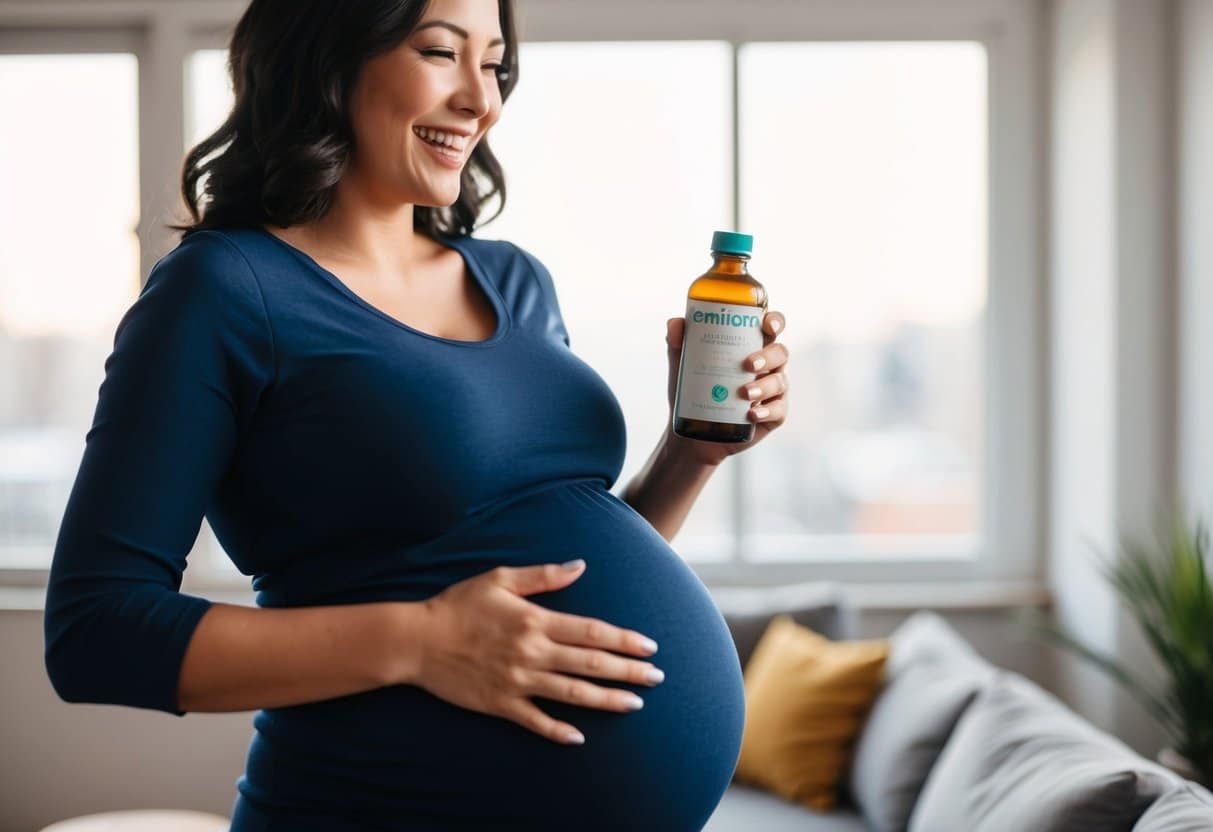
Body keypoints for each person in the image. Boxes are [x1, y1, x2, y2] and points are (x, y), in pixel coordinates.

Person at [42, 0, 792, 828]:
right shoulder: (222, 292)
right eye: (441, 53)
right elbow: (95, 632)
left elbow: (551, 570)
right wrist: (421, 639)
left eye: (495, 64)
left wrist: (691, 452)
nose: (483, 99)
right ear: (328, 58)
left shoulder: (515, 282)